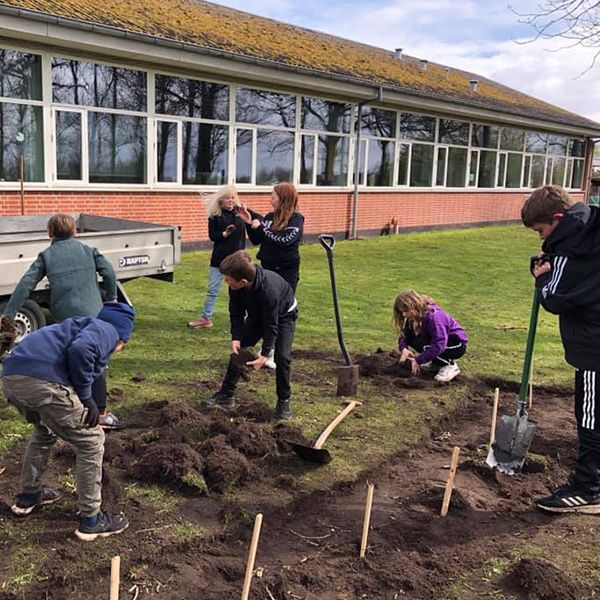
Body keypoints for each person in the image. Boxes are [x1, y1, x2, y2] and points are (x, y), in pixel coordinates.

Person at [0, 301, 135, 540]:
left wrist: (89, 400)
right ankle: (91, 521)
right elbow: (81, 350)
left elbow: (82, 362)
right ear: (122, 335)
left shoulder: (74, 326)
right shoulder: (107, 329)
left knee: (45, 431)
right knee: (92, 440)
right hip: (40, 382)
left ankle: (29, 497)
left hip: (12, 379)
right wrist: (85, 398)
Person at [522, 185, 600, 513]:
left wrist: (541, 278)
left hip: (594, 347)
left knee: (591, 415)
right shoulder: (591, 229)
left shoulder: (570, 251)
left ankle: (588, 488)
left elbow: (554, 298)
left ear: (557, 218)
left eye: (541, 231)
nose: (541, 239)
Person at [3, 214, 120, 429]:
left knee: (69, 358)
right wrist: (111, 298)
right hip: (94, 313)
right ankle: (100, 413)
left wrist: (9, 314)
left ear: (49, 234)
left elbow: (25, 285)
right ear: (74, 231)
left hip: (66, 317)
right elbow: (110, 273)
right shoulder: (88, 250)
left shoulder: (46, 256)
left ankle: (74, 408)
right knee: (97, 362)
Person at [203, 251, 298, 420]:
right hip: (258, 315)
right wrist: (236, 337)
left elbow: (271, 325)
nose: (226, 281)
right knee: (239, 352)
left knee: (282, 357)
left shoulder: (269, 291)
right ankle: (226, 394)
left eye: (229, 279)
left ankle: (284, 400)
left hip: (283, 315)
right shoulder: (235, 286)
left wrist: (265, 354)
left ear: (243, 281)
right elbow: (236, 312)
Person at [188, 186, 245, 329]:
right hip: (219, 259)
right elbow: (213, 236)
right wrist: (225, 234)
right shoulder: (214, 217)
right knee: (213, 289)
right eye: (228, 198)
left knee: (241, 289)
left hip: (237, 260)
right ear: (220, 200)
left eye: (233, 197)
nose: (231, 200)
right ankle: (206, 318)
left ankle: (245, 318)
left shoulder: (239, 214)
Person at [237, 182, 304, 293]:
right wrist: (248, 223)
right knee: (267, 302)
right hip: (267, 268)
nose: (270, 200)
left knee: (283, 304)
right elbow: (257, 239)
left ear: (283, 199)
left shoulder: (296, 219)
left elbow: (284, 240)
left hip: (286, 271)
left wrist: (262, 228)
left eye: (273, 197)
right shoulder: (269, 217)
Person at [393, 290, 468, 383]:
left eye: (405, 311)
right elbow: (405, 335)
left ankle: (450, 365)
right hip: (442, 342)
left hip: (456, 345)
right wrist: (403, 348)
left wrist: (418, 360)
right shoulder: (414, 316)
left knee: (427, 346)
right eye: (402, 312)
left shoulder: (434, 318)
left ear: (414, 306)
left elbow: (439, 344)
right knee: (417, 342)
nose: (404, 315)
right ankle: (437, 363)